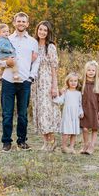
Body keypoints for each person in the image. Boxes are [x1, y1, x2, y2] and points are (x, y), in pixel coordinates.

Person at [0, 12, 40, 152]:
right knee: (7, 114)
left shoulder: (32, 41)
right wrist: (5, 63)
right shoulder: (6, 38)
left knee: (23, 114)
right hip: (8, 81)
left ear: (27, 24)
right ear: (14, 23)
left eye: (23, 21)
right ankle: (6, 142)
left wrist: (31, 77)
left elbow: (36, 61)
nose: (21, 23)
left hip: (25, 81)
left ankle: (22, 141)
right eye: (18, 21)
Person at [31, 21, 61, 151]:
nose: (42, 32)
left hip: (47, 82)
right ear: (37, 30)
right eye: (40, 29)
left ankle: (52, 141)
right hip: (35, 83)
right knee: (39, 110)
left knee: (47, 110)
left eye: (45, 30)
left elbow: (54, 68)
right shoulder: (33, 45)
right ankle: (45, 142)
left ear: (48, 33)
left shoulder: (51, 47)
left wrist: (55, 86)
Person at [79, 60, 99, 155]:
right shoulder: (82, 83)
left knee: (95, 128)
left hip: (94, 109)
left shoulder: (97, 84)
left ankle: (92, 146)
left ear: (96, 72)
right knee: (85, 128)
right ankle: (86, 144)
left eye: (93, 70)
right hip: (84, 110)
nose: (91, 72)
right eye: (89, 70)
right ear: (85, 71)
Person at [53, 72, 84, 154]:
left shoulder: (79, 93)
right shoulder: (66, 92)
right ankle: (64, 146)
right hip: (67, 114)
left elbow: (80, 104)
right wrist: (55, 97)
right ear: (67, 82)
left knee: (74, 132)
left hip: (75, 115)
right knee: (66, 131)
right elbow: (60, 101)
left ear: (77, 82)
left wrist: (81, 112)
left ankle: (71, 147)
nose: (73, 83)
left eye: (75, 81)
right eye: (71, 81)